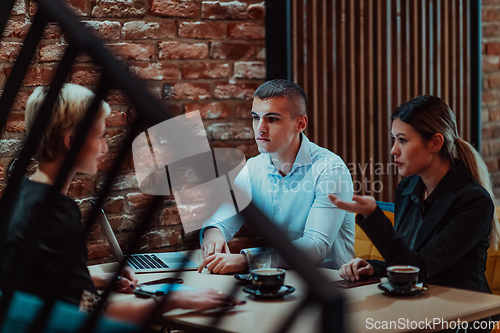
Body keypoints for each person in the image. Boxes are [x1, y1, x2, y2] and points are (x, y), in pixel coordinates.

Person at [0, 84, 244, 324]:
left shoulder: (20, 192)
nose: (105, 147)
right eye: (101, 136)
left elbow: (36, 279)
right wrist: (172, 300)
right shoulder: (54, 211)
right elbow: (91, 313)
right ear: (71, 142)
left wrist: (99, 281)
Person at [330, 95, 500, 296]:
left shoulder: (474, 201)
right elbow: (408, 259)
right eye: (394, 140)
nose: (393, 150)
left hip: (463, 317)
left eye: (402, 140)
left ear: (435, 143)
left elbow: (419, 270)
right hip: (419, 304)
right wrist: (374, 267)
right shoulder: (408, 188)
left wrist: (373, 215)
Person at [198, 79, 355, 274]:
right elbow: (221, 221)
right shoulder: (254, 167)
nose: (260, 128)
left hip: (330, 286)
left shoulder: (330, 170)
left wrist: (248, 260)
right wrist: (214, 234)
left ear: (300, 123)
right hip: (275, 283)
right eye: (256, 118)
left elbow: (316, 247)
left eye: (272, 119)